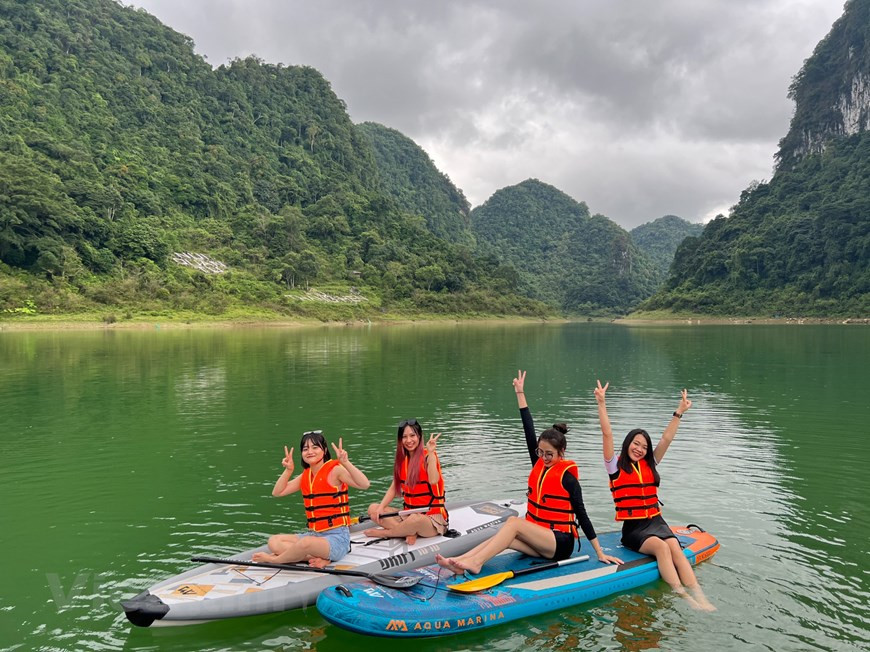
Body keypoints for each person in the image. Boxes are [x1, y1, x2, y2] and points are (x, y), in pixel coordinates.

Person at [436, 371, 622, 574]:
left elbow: (582, 515)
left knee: (513, 523)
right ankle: (461, 562)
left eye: (549, 454)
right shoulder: (539, 464)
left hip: (560, 543)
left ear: (561, 453)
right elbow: (528, 428)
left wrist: (600, 553)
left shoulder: (568, 478)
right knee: (508, 537)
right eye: (540, 452)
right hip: (540, 539)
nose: (544, 458)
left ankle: (476, 563)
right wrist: (520, 393)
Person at [594, 380, 715, 611]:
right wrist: (602, 403)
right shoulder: (615, 467)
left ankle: (700, 594)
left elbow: (666, 440)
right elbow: (607, 434)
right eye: (635, 444)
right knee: (661, 548)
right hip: (634, 529)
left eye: (643, 446)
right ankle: (684, 597)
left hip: (656, 521)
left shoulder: (650, 464)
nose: (639, 449)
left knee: (673, 546)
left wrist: (679, 412)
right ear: (628, 444)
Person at [252, 430, 370, 568]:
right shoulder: (306, 476)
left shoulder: (335, 470)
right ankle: (318, 557)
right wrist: (288, 471)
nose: (310, 452)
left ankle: (276, 560)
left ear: (324, 450)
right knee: (274, 541)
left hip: (337, 538)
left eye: (315, 447)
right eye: (305, 449)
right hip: (315, 535)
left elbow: (364, 484)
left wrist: (346, 462)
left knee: (305, 543)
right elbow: (278, 492)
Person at [364, 419, 448, 545]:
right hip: (408, 514)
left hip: (431, 518)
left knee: (415, 520)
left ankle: (388, 533)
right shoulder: (403, 460)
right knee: (373, 509)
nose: (409, 440)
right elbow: (394, 488)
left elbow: (433, 480)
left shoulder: (429, 456)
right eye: (404, 437)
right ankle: (408, 532)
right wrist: (380, 508)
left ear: (419, 436)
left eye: (412, 435)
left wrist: (431, 453)